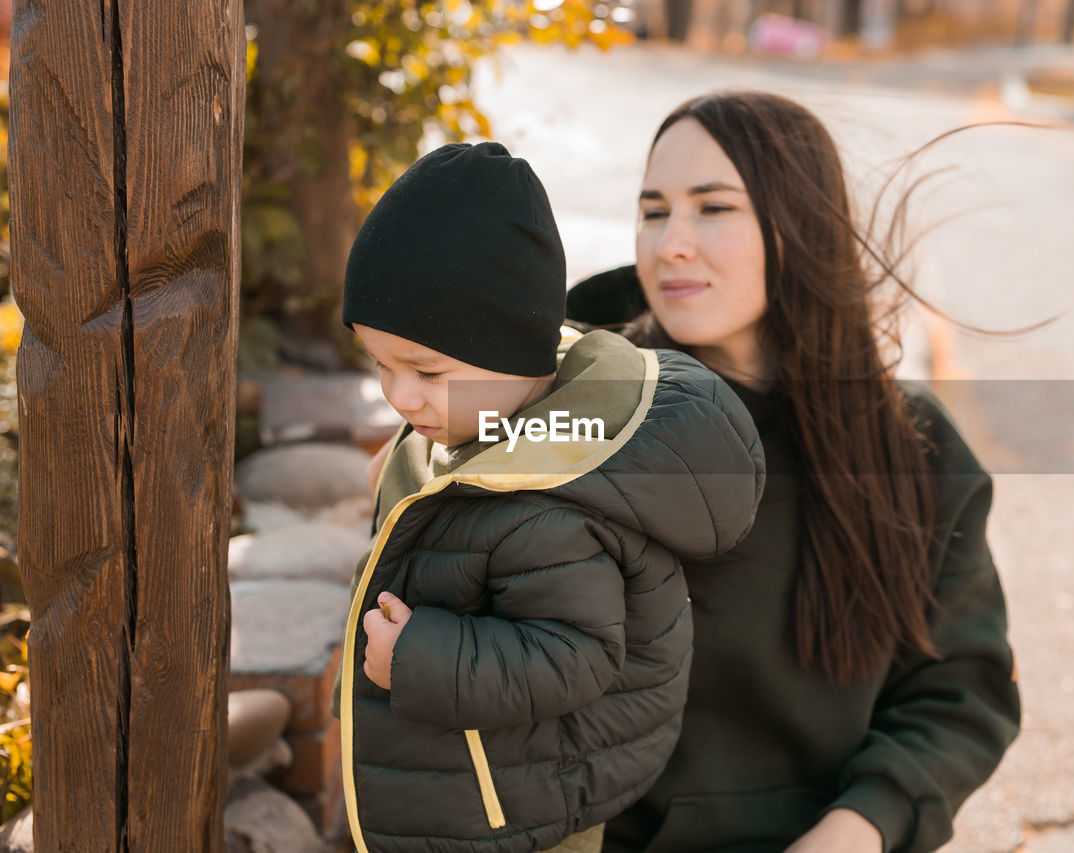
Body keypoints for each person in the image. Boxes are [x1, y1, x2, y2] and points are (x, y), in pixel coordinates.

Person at [565, 92, 1021, 853]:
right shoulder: (574, 412)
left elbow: (960, 688)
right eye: (653, 211)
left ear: (799, 224)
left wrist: (863, 825)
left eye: (713, 208)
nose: (671, 243)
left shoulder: (913, 448)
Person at [332, 142, 765, 853]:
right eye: (379, 364)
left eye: (425, 369)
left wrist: (417, 657)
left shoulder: (551, 507)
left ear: (516, 355)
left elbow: (577, 653)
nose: (399, 394)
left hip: (521, 811)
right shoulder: (476, 424)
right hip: (460, 785)